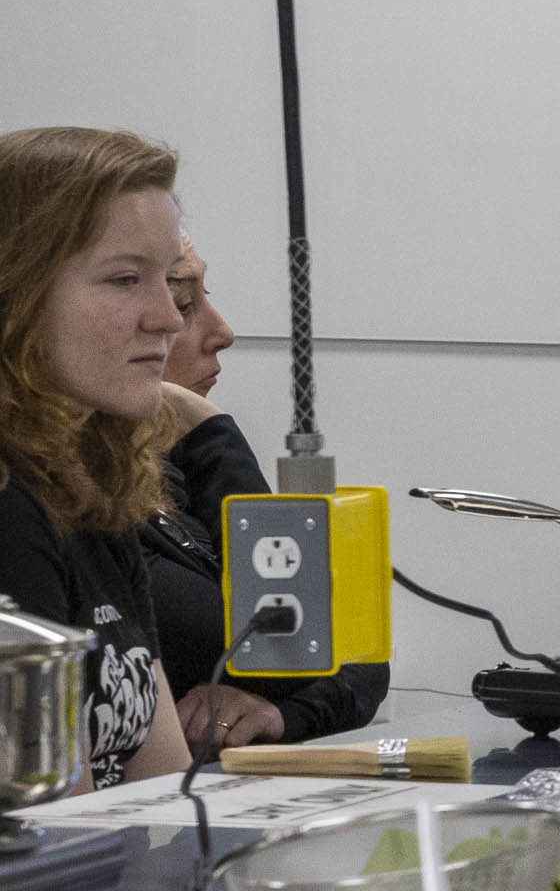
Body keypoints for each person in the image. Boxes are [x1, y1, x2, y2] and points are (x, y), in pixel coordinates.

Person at [0, 127, 194, 787]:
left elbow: (164, 785)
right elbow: (59, 837)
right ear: (14, 294)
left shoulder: (97, 482)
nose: (168, 317)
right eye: (126, 279)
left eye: (168, 281)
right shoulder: (9, 509)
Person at [140, 237, 386, 753]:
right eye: (186, 306)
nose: (222, 333)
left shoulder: (173, 467)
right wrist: (206, 428)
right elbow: (287, 650)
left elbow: (360, 657)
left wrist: (281, 717)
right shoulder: (69, 504)